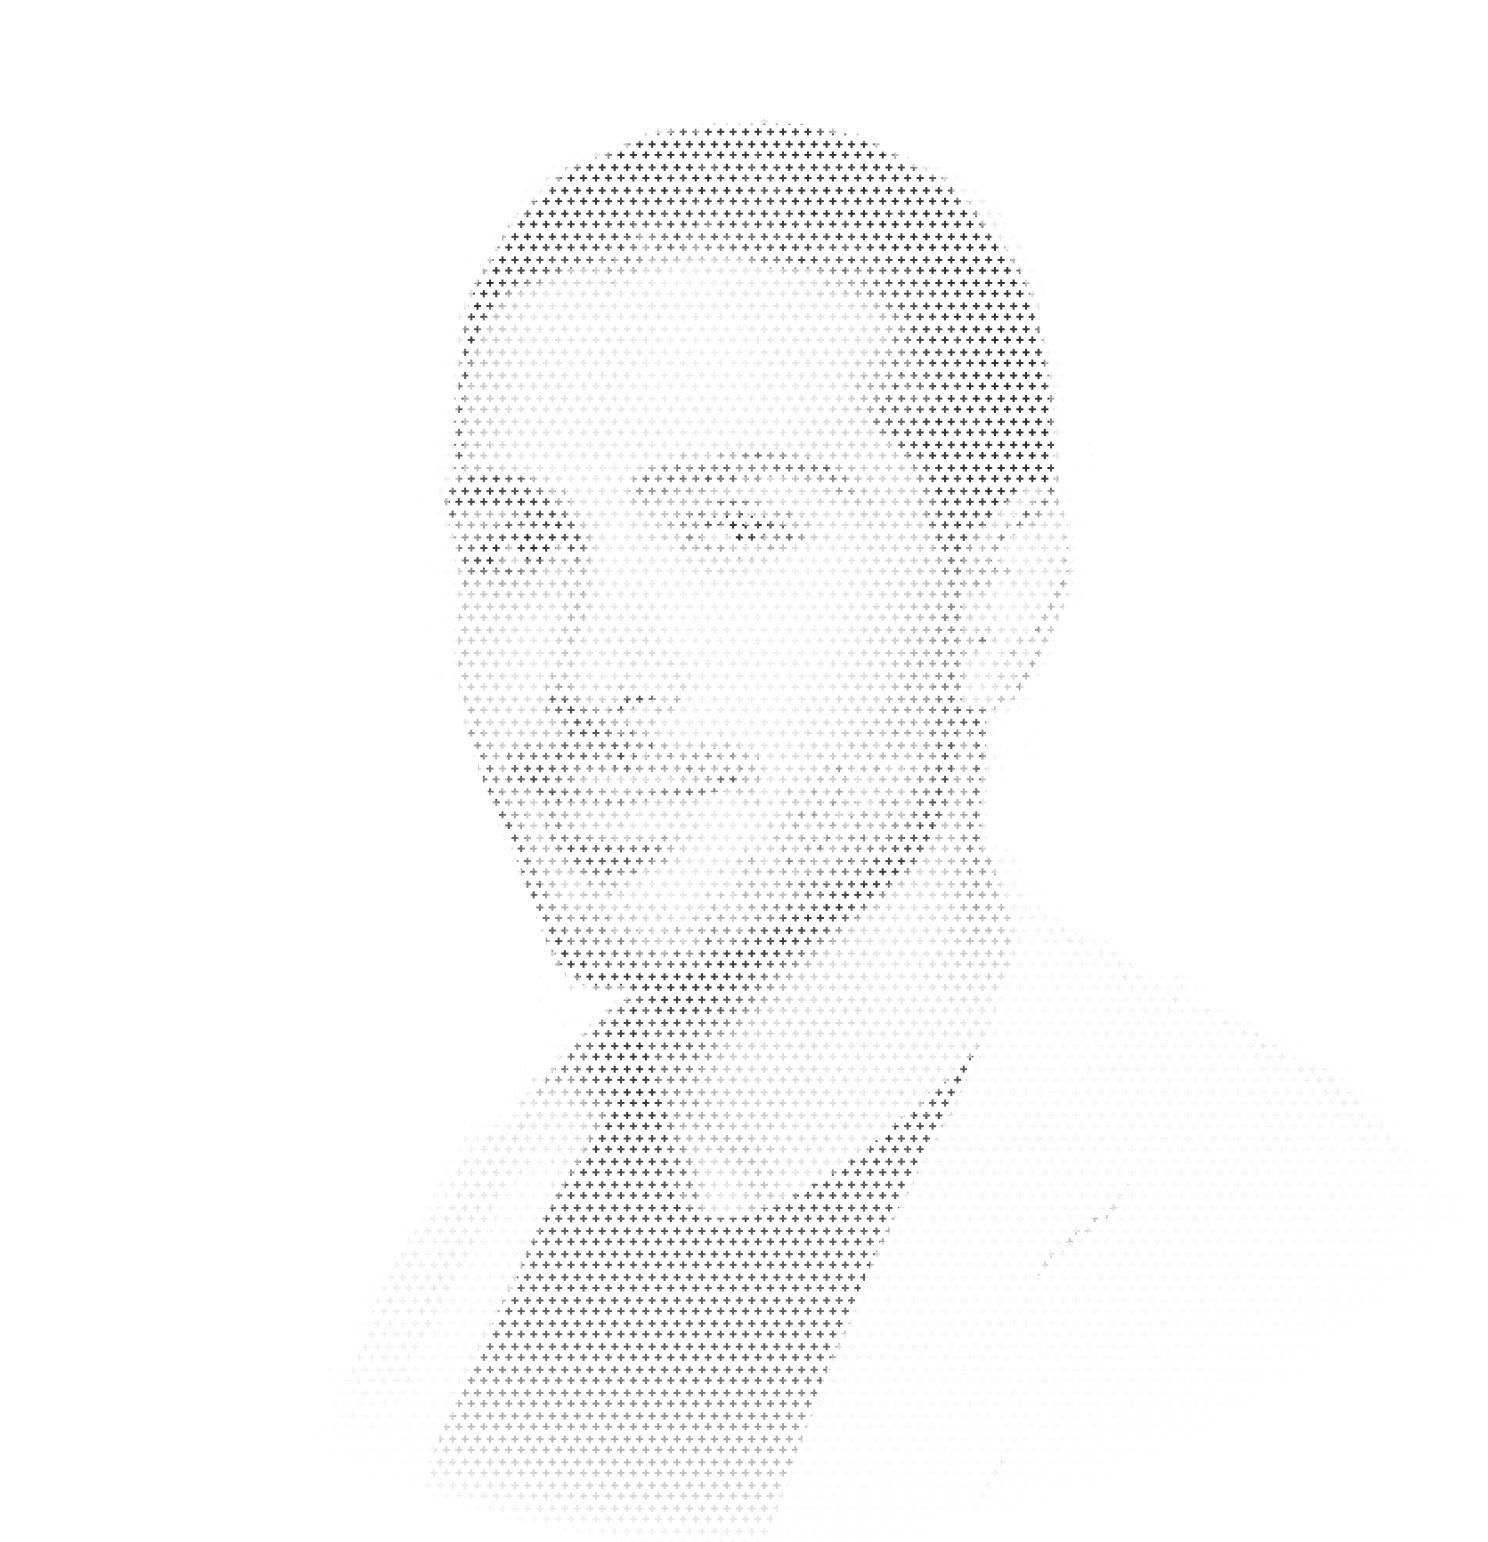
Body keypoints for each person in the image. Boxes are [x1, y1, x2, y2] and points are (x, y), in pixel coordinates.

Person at [309, 121, 1464, 1540]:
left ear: (1001, 606)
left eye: (737, 533)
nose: (594, 666)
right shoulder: (480, 1214)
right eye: (521, 547)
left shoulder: (1262, 1248)